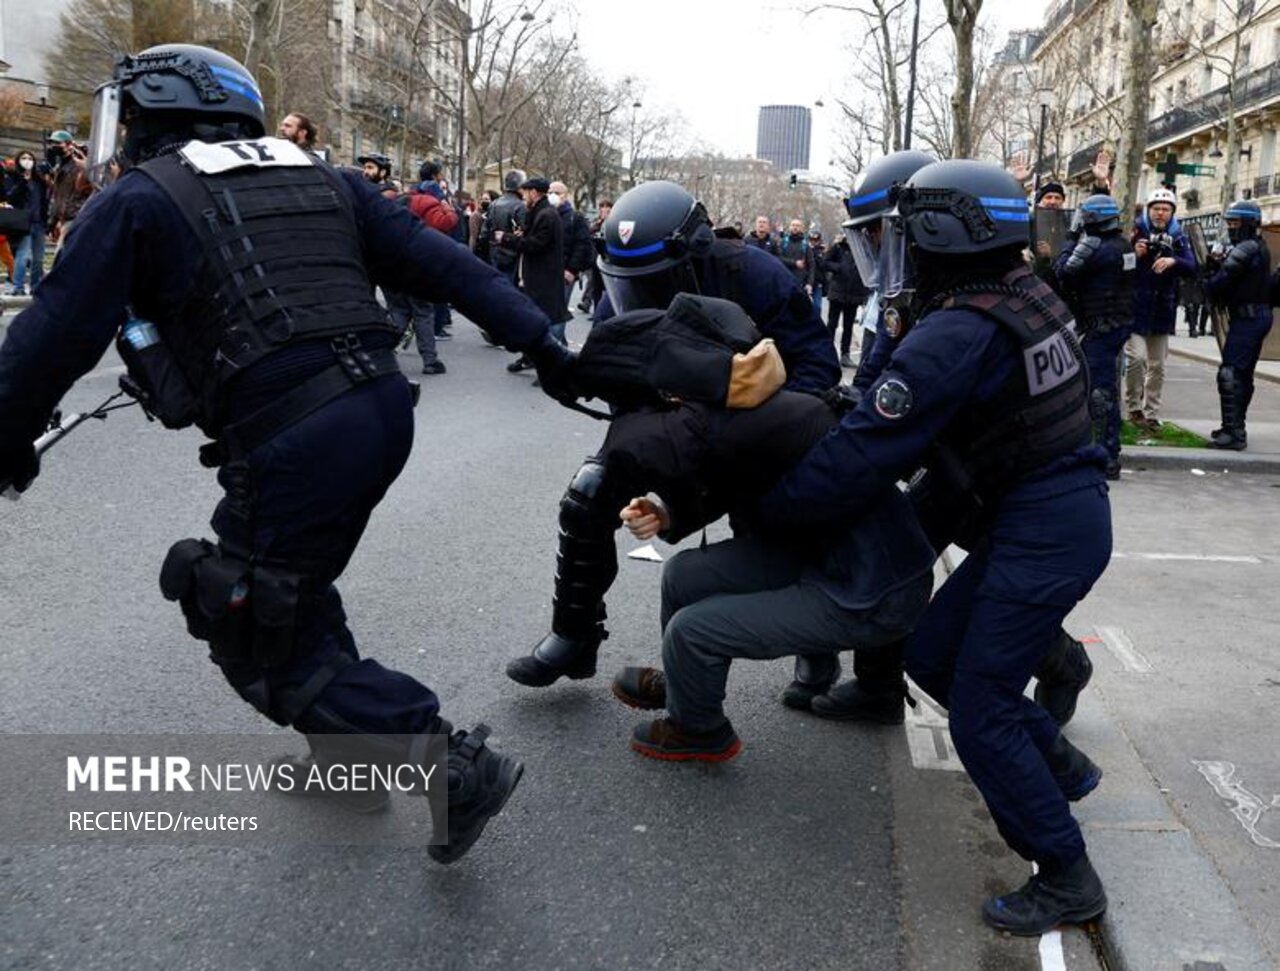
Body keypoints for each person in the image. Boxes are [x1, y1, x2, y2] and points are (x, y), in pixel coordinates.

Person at [0, 44, 576, 863]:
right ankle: (353, 765)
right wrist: (545, 344)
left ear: (153, 117)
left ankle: (449, 764)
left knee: (243, 613)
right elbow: (446, 266)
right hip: (379, 411)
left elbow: (45, 341)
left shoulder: (138, 198)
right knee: (292, 584)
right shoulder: (326, 177)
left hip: (297, 432)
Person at [758, 159, 1111, 937]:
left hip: (1044, 529)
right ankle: (1059, 765)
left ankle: (1066, 873)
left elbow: (863, 453)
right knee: (931, 660)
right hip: (1047, 514)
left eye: (904, 237)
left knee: (979, 712)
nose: (897, 255)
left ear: (946, 234)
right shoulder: (1020, 292)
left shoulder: (956, 329)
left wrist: (775, 510)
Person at [505, 180, 841, 692]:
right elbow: (617, 378)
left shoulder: (753, 273)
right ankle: (574, 635)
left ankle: (815, 644)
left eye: (652, 282)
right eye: (628, 283)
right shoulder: (620, 295)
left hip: (765, 427)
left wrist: (754, 415)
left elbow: (818, 366)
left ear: (692, 256)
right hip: (675, 425)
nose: (638, 296)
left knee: (784, 517)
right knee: (588, 495)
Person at [1054, 193, 1135, 480]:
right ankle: (1109, 451)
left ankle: (1104, 456)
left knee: (1099, 394)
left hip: (1100, 328)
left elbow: (1062, 271)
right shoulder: (1124, 245)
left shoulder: (1092, 245)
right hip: (1116, 325)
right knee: (1107, 390)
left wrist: (1069, 239)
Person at [1124, 187, 1195, 429]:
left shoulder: (1178, 236)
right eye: (1156, 209)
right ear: (1148, 210)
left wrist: (1173, 260)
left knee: (1157, 365)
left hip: (1162, 311)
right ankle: (1134, 407)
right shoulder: (1135, 231)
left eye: (1165, 209)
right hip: (1135, 309)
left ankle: (1151, 413)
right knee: (1136, 359)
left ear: (1172, 212)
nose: (1160, 213)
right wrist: (1134, 253)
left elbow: (1193, 266)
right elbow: (1117, 263)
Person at [1205, 199, 1273, 450]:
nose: (1231, 228)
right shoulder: (1257, 246)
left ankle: (1234, 434)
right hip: (1254, 317)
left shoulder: (1245, 248)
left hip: (1249, 318)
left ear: (1247, 224)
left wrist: (1210, 275)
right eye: (1229, 223)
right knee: (1242, 375)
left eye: (1235, 223)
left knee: (1231, 374)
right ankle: (1234, 426)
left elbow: (1220, 283)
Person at [498, 176, 570, 369]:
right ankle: (531, 358)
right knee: (534, 318)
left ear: (534, 193)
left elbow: (536, 245)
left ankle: (553, 363)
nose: (523, 196)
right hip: (536, 276)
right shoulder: (540, 212)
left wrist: (506, 238)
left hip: (544, 277)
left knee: (548, 319)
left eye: (526, 192)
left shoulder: (546, 214)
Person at [3, 150, 48, 294]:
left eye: (30, 158)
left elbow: (44, 201)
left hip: (39, 222)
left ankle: (35, 286)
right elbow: (10, 197)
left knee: (38, 258)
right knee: (22, 256)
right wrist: (23, 181)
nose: (27, 160)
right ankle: (18, 286)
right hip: (23, 223)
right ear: (18, 161)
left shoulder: (39, 181)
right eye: (24, 158)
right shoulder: (13, 177)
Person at [821, 231, 867, 369]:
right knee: (832, 324)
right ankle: (826, 353)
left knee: (848, 326)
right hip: (837, 292)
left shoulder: (864, 247)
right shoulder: (838, 247)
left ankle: (845, 354)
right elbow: (824, 262)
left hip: (854, 293)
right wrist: (838, 268)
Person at [549, 180, 594, 318]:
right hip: (545, 270)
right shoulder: (545, 214)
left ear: (565, 195)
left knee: (558, 311)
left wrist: (572, 270)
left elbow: (582, 245)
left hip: (565, 272)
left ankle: (556, 339)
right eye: (550, 193)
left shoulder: (575, 217)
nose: (552, 196)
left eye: (557, 193)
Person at [46, 131, 92, 256]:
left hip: (76, 215)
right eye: (51, 143)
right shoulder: (60, 166)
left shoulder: (78, 164)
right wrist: (53, 221)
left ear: (69, 145)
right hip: (65, 217)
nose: (53, 146)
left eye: (57, 143)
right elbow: (57, 196)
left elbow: (86, 186)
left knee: (61, 257)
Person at [479, 169, 526, 285]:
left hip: (494, 253)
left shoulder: (494, 204)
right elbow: (524, 232)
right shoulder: (520, 207)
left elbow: (484, 233)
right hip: (513, 256)